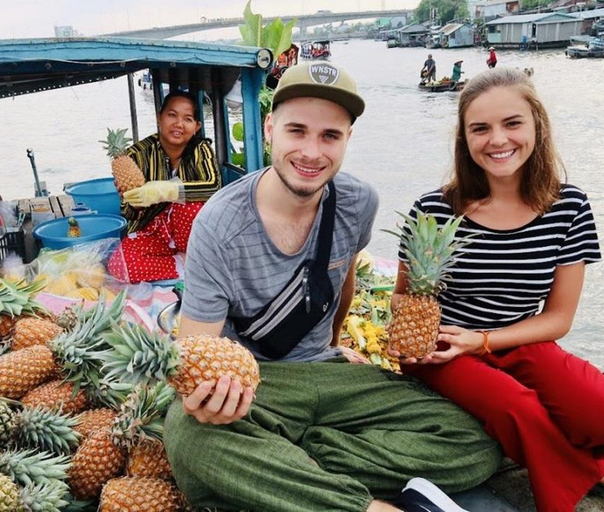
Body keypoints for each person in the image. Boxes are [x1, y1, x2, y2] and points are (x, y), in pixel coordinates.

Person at [163, 61, 501, 512]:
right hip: (260, 384)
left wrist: (337, 344)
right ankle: (365, 506)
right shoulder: (218, 225)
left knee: (473, 445)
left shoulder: (359, 201)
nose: (311, 152)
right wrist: (207, 402)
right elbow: (193, 355)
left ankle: (289, 466)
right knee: (187, 434)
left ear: (347, 140)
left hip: (332, 373)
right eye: (297, 131)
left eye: (330, 136)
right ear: (270, 129)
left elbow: (342, 281)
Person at [390, 68, 604, 512]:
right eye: (480, 128)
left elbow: (559, 319)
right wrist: (436, 334)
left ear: (536, 126)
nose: (497, 139)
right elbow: (401, 297)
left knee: (596, 407)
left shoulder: (570, 207)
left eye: (512, 123)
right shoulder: (433, 209)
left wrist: (485, 341)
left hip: (523, 341)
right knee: (518, 410)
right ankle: (569, 493)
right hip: (444, 348)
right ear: (464, 139)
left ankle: (582, 468)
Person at [107, 90, 220, 283]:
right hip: (155, 231)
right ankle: (185, 264)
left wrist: (166, 190)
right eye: (172, 115)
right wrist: (136, 202)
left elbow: (214, 186)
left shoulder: (200, 150)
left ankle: (190, 257)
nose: (178, 124)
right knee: (119, 265)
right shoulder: (135, 155)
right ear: (159, 118)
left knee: (190, 203)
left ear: (196, 126)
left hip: (193, 235)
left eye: (188, 119)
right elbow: (128, 213)